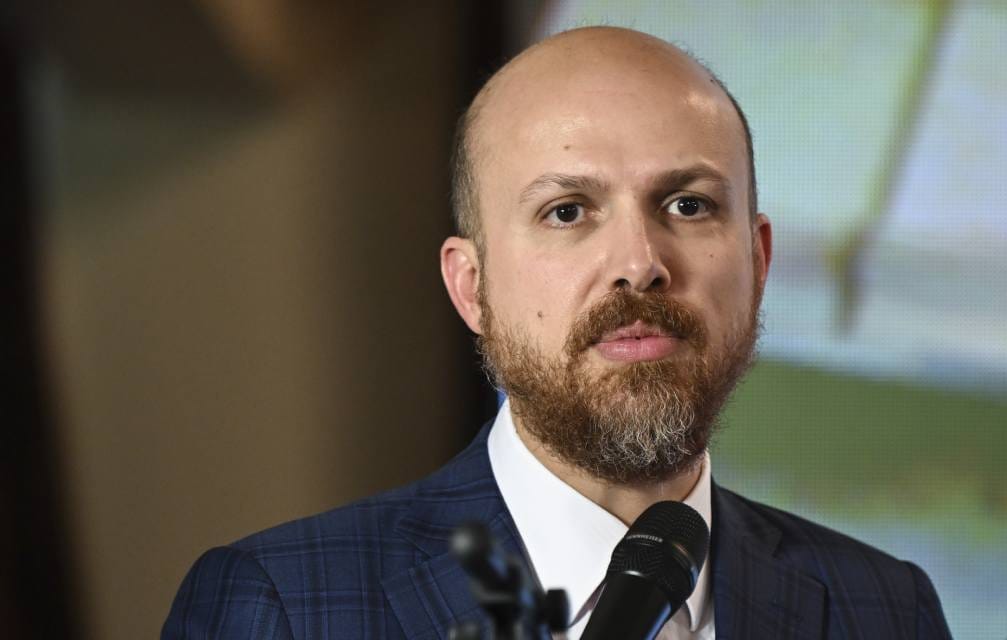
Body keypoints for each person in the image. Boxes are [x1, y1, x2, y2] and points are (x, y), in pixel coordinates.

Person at [162, 26, 952, 639]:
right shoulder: (285, 607)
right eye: (567, 212)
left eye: (688, 205)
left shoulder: (884, 608)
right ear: (471, 288)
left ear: (757, 260)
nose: (639, 264)